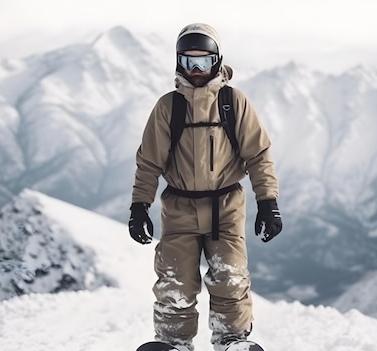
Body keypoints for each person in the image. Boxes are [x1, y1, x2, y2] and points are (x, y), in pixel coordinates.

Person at [128, 23, 283, 351]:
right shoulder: (168, 108)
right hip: (179, 209)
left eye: (204, 61)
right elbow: (149, 162)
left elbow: (258, 154)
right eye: (188, 62)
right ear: (177, 63)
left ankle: (232, 340)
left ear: (218, 60)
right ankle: (173, 343)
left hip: (225, 207)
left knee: (230, 277)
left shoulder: (233, 102)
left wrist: (268, 201)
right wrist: (139, 205)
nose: (197, 71)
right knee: (175, 281)